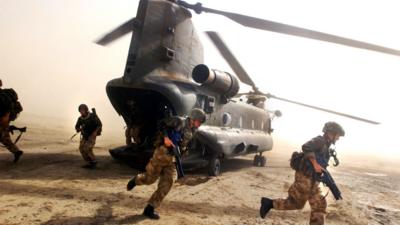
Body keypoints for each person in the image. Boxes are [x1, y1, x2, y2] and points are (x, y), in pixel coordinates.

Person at [126, 108, 206, 220]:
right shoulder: (179, 121)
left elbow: (185, 142)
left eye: (201, 123)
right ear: (193, 118)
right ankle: (136, 179)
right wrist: (166, 138)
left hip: (173, 159)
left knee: (168, 183)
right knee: (150, 179)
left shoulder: (193, 130)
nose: (200, 124)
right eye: (199, 121)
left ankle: (150, 208)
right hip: (162, 154)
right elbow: (161, 123)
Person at [260, 121, 345, 225]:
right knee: (296, 204)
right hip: (305, 178)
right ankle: (269, 203)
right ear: (331, 133)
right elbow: (306, 146)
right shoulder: (320, 140)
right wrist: (315, 164)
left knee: (320, 205)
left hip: (313, 180)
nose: (338, 138)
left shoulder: (326, 146)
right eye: (338, 135)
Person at [0, 79, 24, 162]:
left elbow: (8, 107)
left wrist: (6, 117)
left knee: (4, 137)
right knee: (4, 138)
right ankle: (16, 152)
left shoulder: (2, 95)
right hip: (4, 119)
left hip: (3, 119)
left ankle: (16, 151)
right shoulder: (3, 94)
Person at [75, 104, 102, 169]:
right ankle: (88, 162)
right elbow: (77, 126)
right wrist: (78, 129)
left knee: (87, 148)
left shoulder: (92, 116)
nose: (81, 111)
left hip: (92, 134)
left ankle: (94, 161)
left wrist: (95, 132)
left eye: (83, 110)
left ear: (86, 110)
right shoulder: (80, 119)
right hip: (85, 135)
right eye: (80, 110)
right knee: (81, 148)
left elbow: (99, 124)